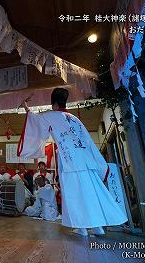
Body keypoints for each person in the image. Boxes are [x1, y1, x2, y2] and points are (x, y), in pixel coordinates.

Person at [18, 87, 127, 236]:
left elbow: (35, 121)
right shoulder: (75, 119)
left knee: (74, 195)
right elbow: (88, 142)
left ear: (54, 104)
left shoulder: (52, 115)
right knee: (92, 194)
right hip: (87, 163)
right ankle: (97, 227)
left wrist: (25, 106)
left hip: (70, 163)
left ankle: (82, 228)